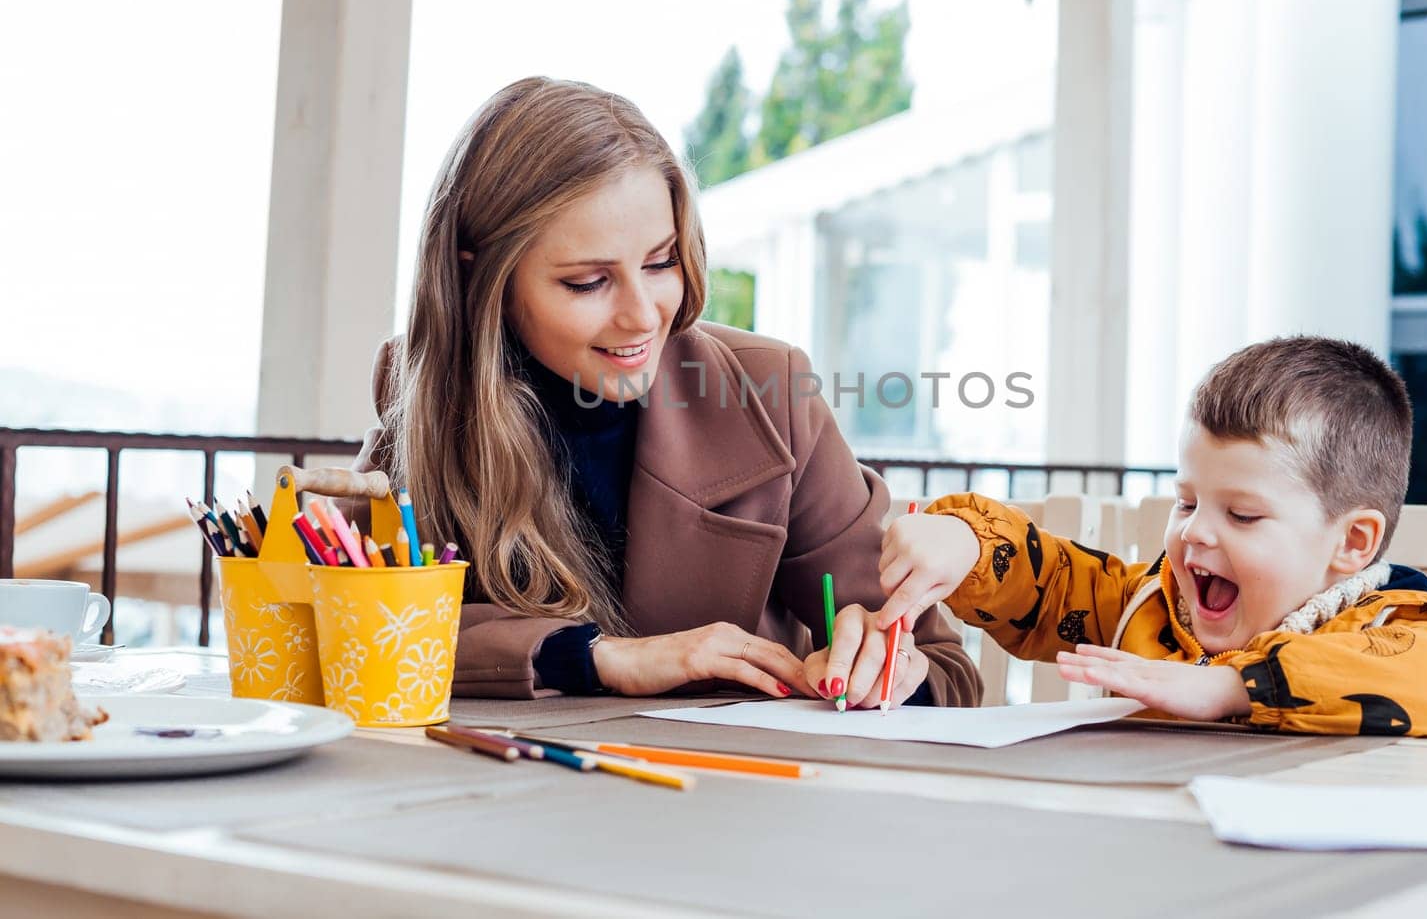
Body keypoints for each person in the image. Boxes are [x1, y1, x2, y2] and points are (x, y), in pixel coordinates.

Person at [353, 76, 980, 708]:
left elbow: (949, 670)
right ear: (479, 277)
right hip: (508, 786)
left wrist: (893, 673)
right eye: (587, 282)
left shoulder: (772, 391)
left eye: (661, 263)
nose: (643, 316)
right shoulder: (421, 389)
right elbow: (353, 625)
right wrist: (594, 656)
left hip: (727, 795)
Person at [877, 336, 1427, 737]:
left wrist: (1231, 687)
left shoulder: (1398, 624)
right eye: (1187, 500)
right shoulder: (1148, 605)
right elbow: (1051, 583)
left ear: (1352, 543)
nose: (1194, 532)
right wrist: (964, 538)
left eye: (1241, 515)